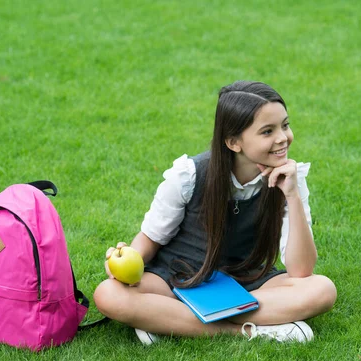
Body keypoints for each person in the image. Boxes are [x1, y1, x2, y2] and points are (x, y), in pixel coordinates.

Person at [94, 80, 337, 345]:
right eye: (267, 131)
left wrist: (291, 194)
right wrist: (125, 262)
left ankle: (167, 321)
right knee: (109, 294)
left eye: (285, 125)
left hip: (246, 283)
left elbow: (301, 270)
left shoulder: (290, 177)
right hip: (179, 279)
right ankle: (250, 331)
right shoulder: (188, 175)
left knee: (322, 289)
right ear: (234, 142)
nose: (282, 138)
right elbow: (150, 239)